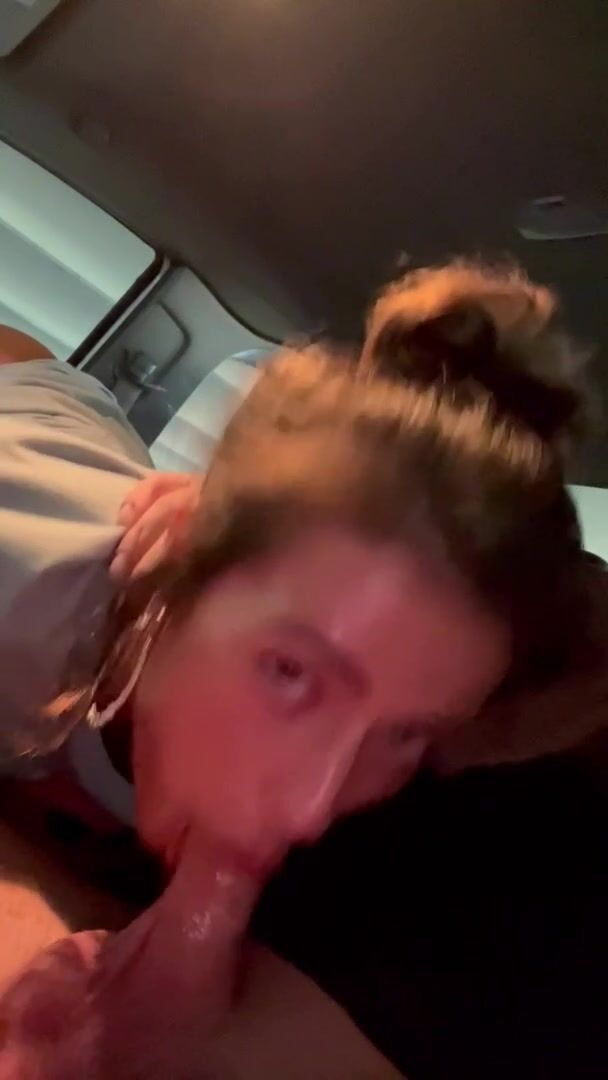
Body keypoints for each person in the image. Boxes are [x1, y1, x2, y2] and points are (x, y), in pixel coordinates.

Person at [0, 260, 599, 1077]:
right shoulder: (22, 583)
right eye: (290, 673)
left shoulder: (393, 820)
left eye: (404, 733)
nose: (313, 807)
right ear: (188, 562)